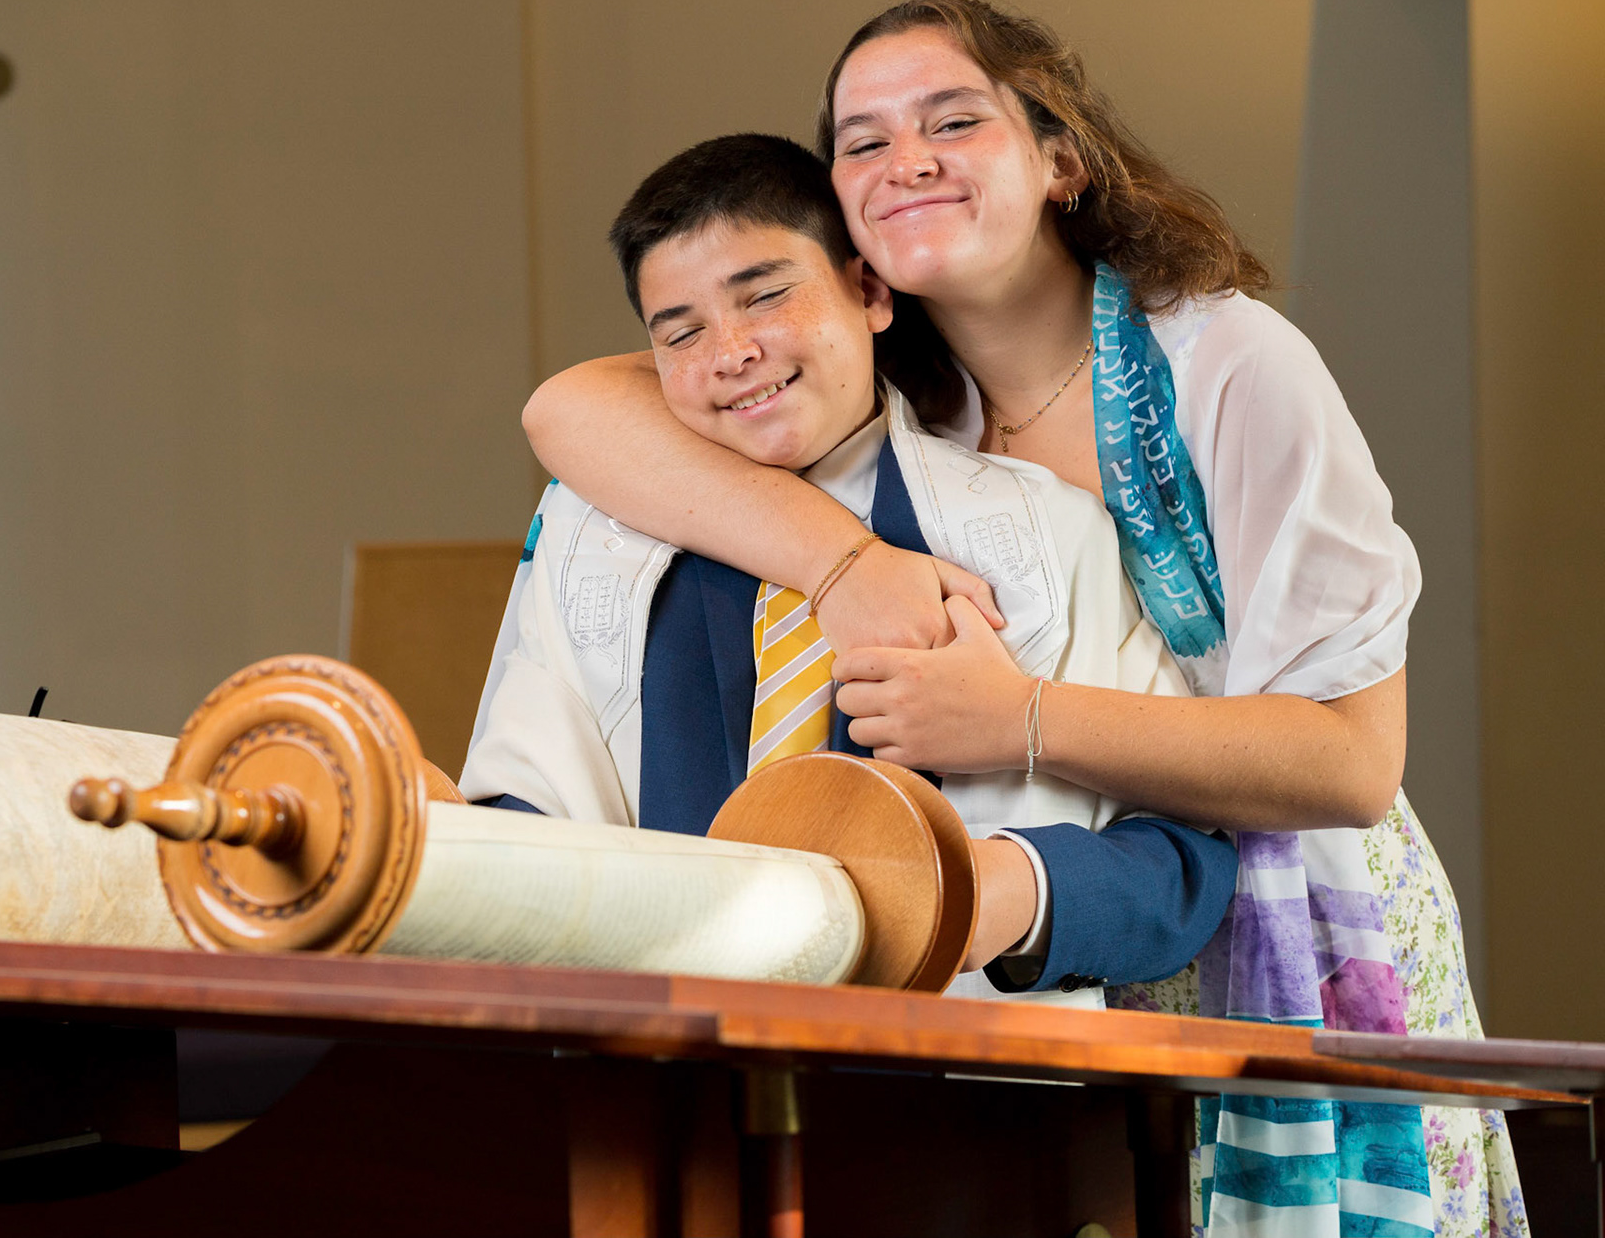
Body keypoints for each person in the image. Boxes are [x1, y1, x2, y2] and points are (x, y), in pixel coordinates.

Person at [520, 0, 1523, 1238]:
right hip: (1064, 936)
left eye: (953, 118)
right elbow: (571, 410)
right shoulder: (873, 386)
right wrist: (844, 565)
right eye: (865, 141)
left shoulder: (1221, 361)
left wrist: (1020, 717)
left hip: (1286, 907)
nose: (909, 160)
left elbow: (1355, 762)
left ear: (1061, 157)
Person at [460, 132, 1237, 1005]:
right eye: (679, 334)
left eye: (765, 297)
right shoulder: (593, 535)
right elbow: (519, 817)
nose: (730, 353)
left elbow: (1182, 857)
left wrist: (1004, 892)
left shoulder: (1042, 529)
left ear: (868, 290)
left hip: (971, 1094)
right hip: (664, 1085)